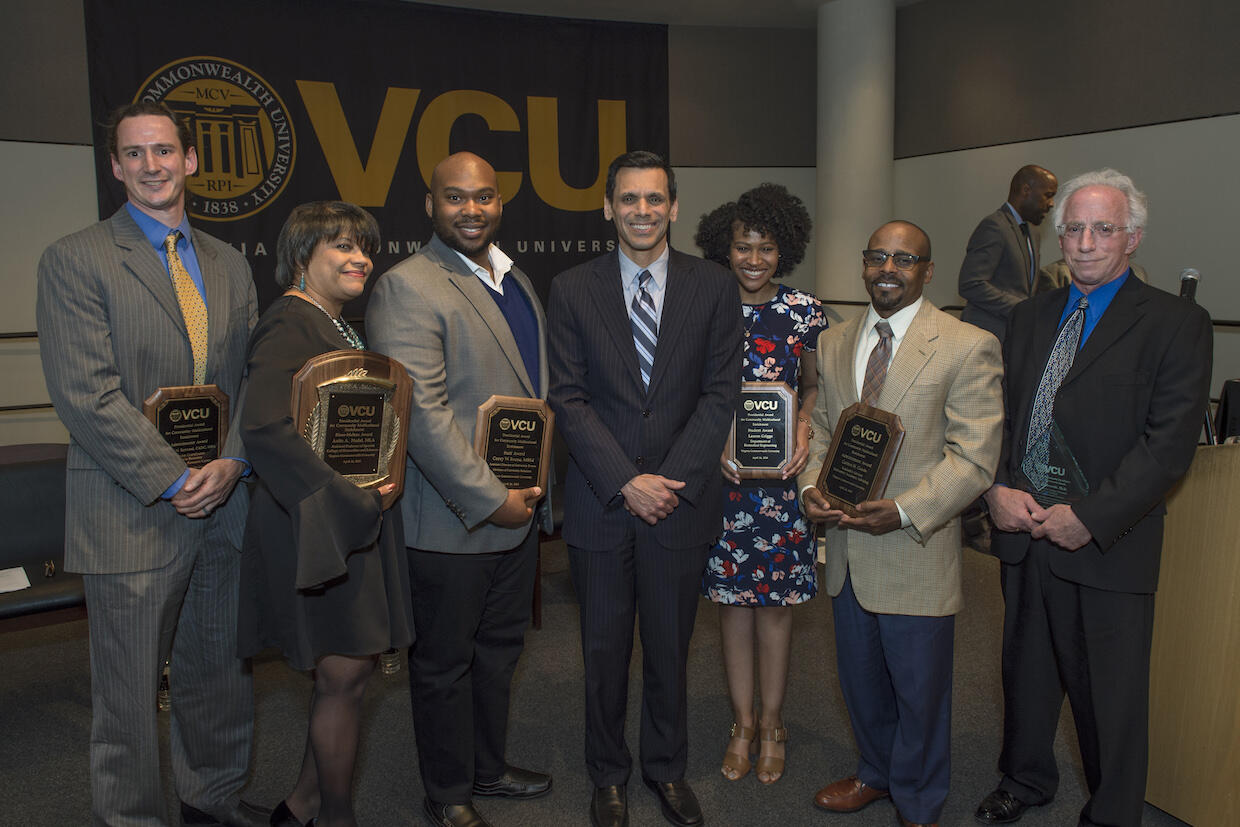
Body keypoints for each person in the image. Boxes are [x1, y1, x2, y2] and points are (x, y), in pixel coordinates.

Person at [35, 101, 266, 826]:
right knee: (130, 696)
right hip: (130, 509)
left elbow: (252, 379)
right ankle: (133, 817)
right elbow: (86, 394)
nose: (151, 166)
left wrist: (231, 465)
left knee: (219, 675)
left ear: (191, 160)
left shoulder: (230, 263)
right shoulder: (76, 259)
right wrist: (174, 480)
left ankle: (214, 798)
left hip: (223, 504)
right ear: (115, 168)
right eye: (133, 154)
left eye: (163, 151)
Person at [973, 169, 1213, 827]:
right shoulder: (1027, 317)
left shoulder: (1176, 322)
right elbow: (999, 415)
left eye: (1101, 229)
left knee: (1109, 692)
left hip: (1108, 542)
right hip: (1025, 530)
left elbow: (1168, 445)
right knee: (1024, 673)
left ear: (1131, 236)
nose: (1083, 242)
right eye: (1072, 228)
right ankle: (1023, 778)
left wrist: (1093, 515)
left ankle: (1112, 811)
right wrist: (994, 486)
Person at [547, 150, 743, 827]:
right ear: (607, 207)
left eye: (654, 199)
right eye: (627, 199)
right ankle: (607, 775)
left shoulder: (713, 286)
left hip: (679, 505)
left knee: (669, 647)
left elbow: (721, 394)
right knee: (603, 652)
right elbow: (567, 398)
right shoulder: (572, 288)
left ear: (674, 207)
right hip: (604, 504)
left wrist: (669, 483)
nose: (641, 211)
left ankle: (665, 768)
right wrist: (627, 481)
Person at [366, 152, 551, 827]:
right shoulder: (407, 286)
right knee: (444, 664)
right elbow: (424, 415)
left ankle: (488, 767)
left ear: (499, 203)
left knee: (499, 651)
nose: (471, 210)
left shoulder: (516, 279)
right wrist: (489, 499)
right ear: (429, 205)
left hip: (517, 513)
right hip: (451, 519)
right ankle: (447, 792)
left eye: (483, 197)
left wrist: (524, 498)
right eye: (455, 197)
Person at [799, 221, 1003, 827]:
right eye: (877, 257)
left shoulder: (968, 344)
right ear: (863, 265)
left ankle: (917, 801)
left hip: (917, 546)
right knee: (859, 684)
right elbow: (825, 432)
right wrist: (811, 487)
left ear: (927, 271)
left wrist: (907, 509)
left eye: (905, 259)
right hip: (846, 550)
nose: (888, 268)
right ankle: (875, 773)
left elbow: (974, 457)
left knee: (919, 696)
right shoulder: (834, 342)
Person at [238, 201, 415, 827]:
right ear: (299, 256)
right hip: (318, 524)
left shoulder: (337, 325)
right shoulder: (289, 323)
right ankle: (337, 819)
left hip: (349, 519)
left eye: (364, 246)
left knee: (350, 676)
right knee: (342, 676)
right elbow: (262, 429)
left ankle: (300, 806)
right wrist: (352, 499)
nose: (359, 258)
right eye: (340, 246)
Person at [694, 184, 825, 785]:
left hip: (780, 485)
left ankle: (774, 723)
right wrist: (710, 441)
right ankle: (741, 724)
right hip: (723, 481)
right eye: (743, 246)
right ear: (725, 248)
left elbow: (816, 385)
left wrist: (803, 424)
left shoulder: (803, 311)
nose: (753, 258)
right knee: (731, 611)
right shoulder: (703, 301)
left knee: (775, 612)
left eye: (766, 248)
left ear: (784, 251)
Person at [959, 165, 1058, 344]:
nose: (1051, 204)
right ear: (1026, 190)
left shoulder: (1033, 232)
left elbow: (1025, 288)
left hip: (1016, 336)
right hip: (987, 337)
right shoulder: (994, 226)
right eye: (1048, 195)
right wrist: (1022, 308)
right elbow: (971, 284)